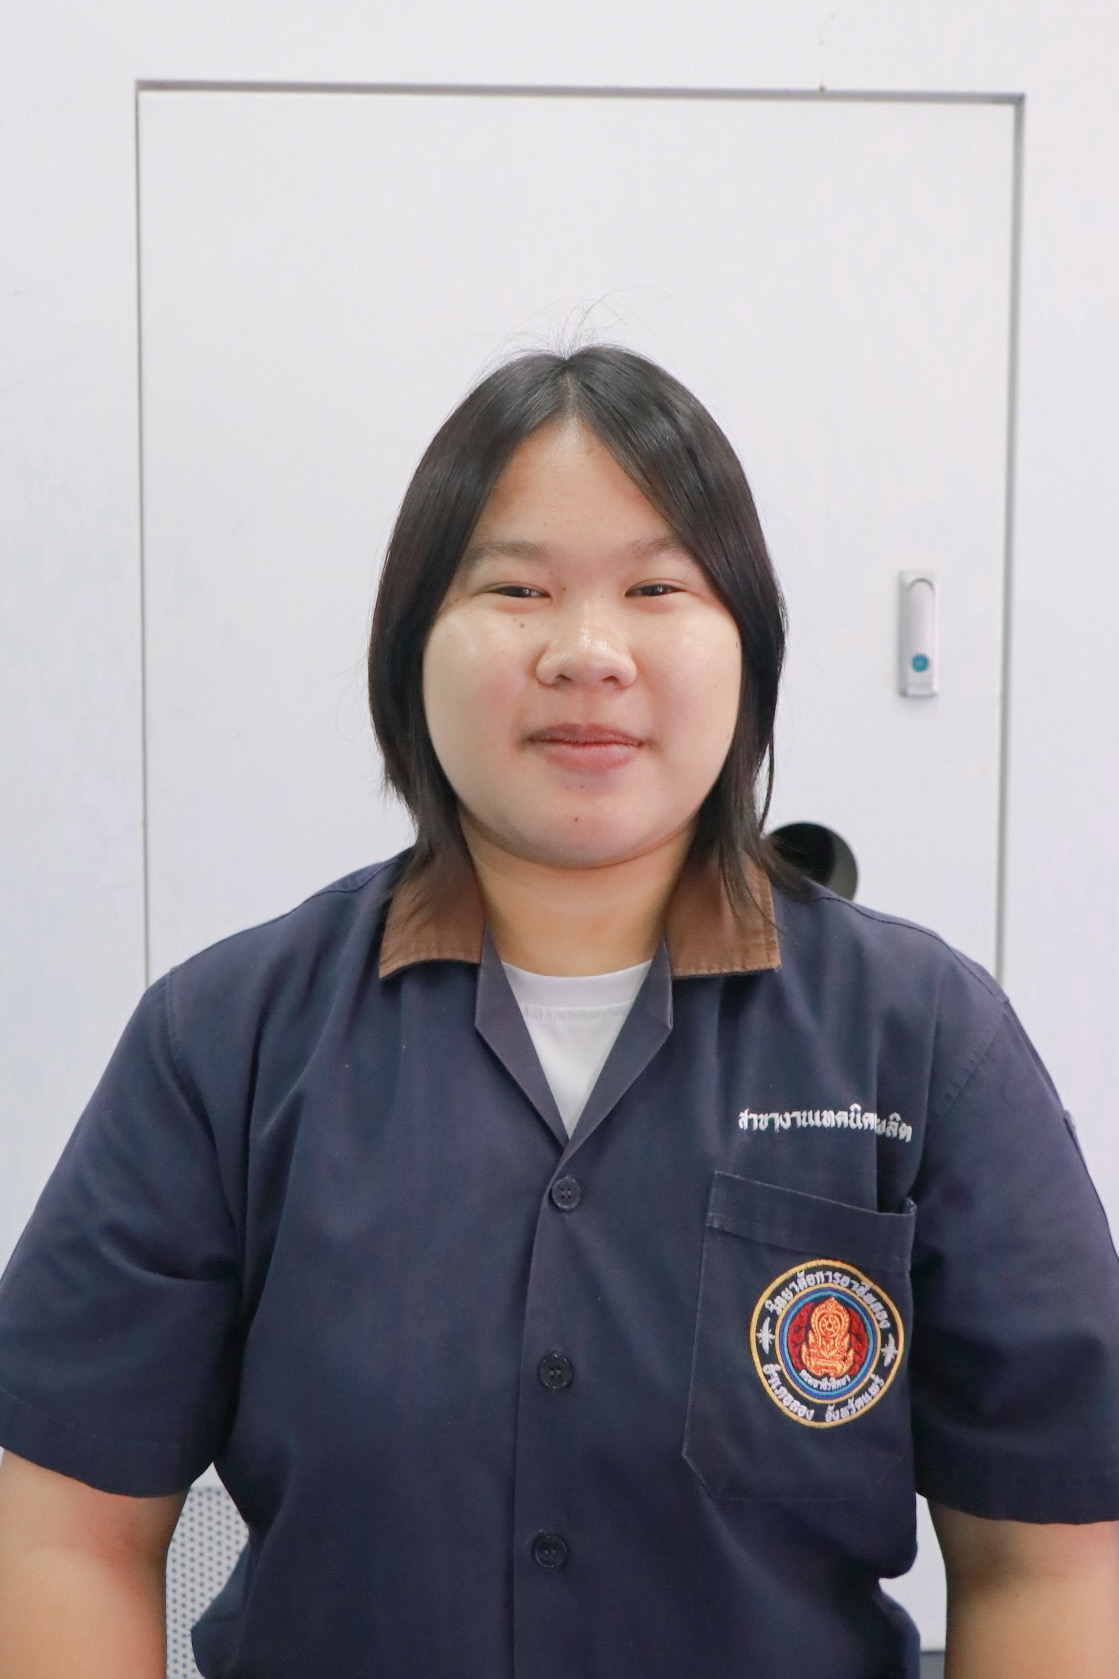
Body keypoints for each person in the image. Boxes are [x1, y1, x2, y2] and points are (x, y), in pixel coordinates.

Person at [0, 346, 1117, 1679]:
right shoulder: (225, 1041)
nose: (589, 654)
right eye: (517, 589)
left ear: (748, 650)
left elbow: (1053, 1557)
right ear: (411, 646)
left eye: (658, 588)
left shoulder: (924, 1042)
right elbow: (64, 1530)